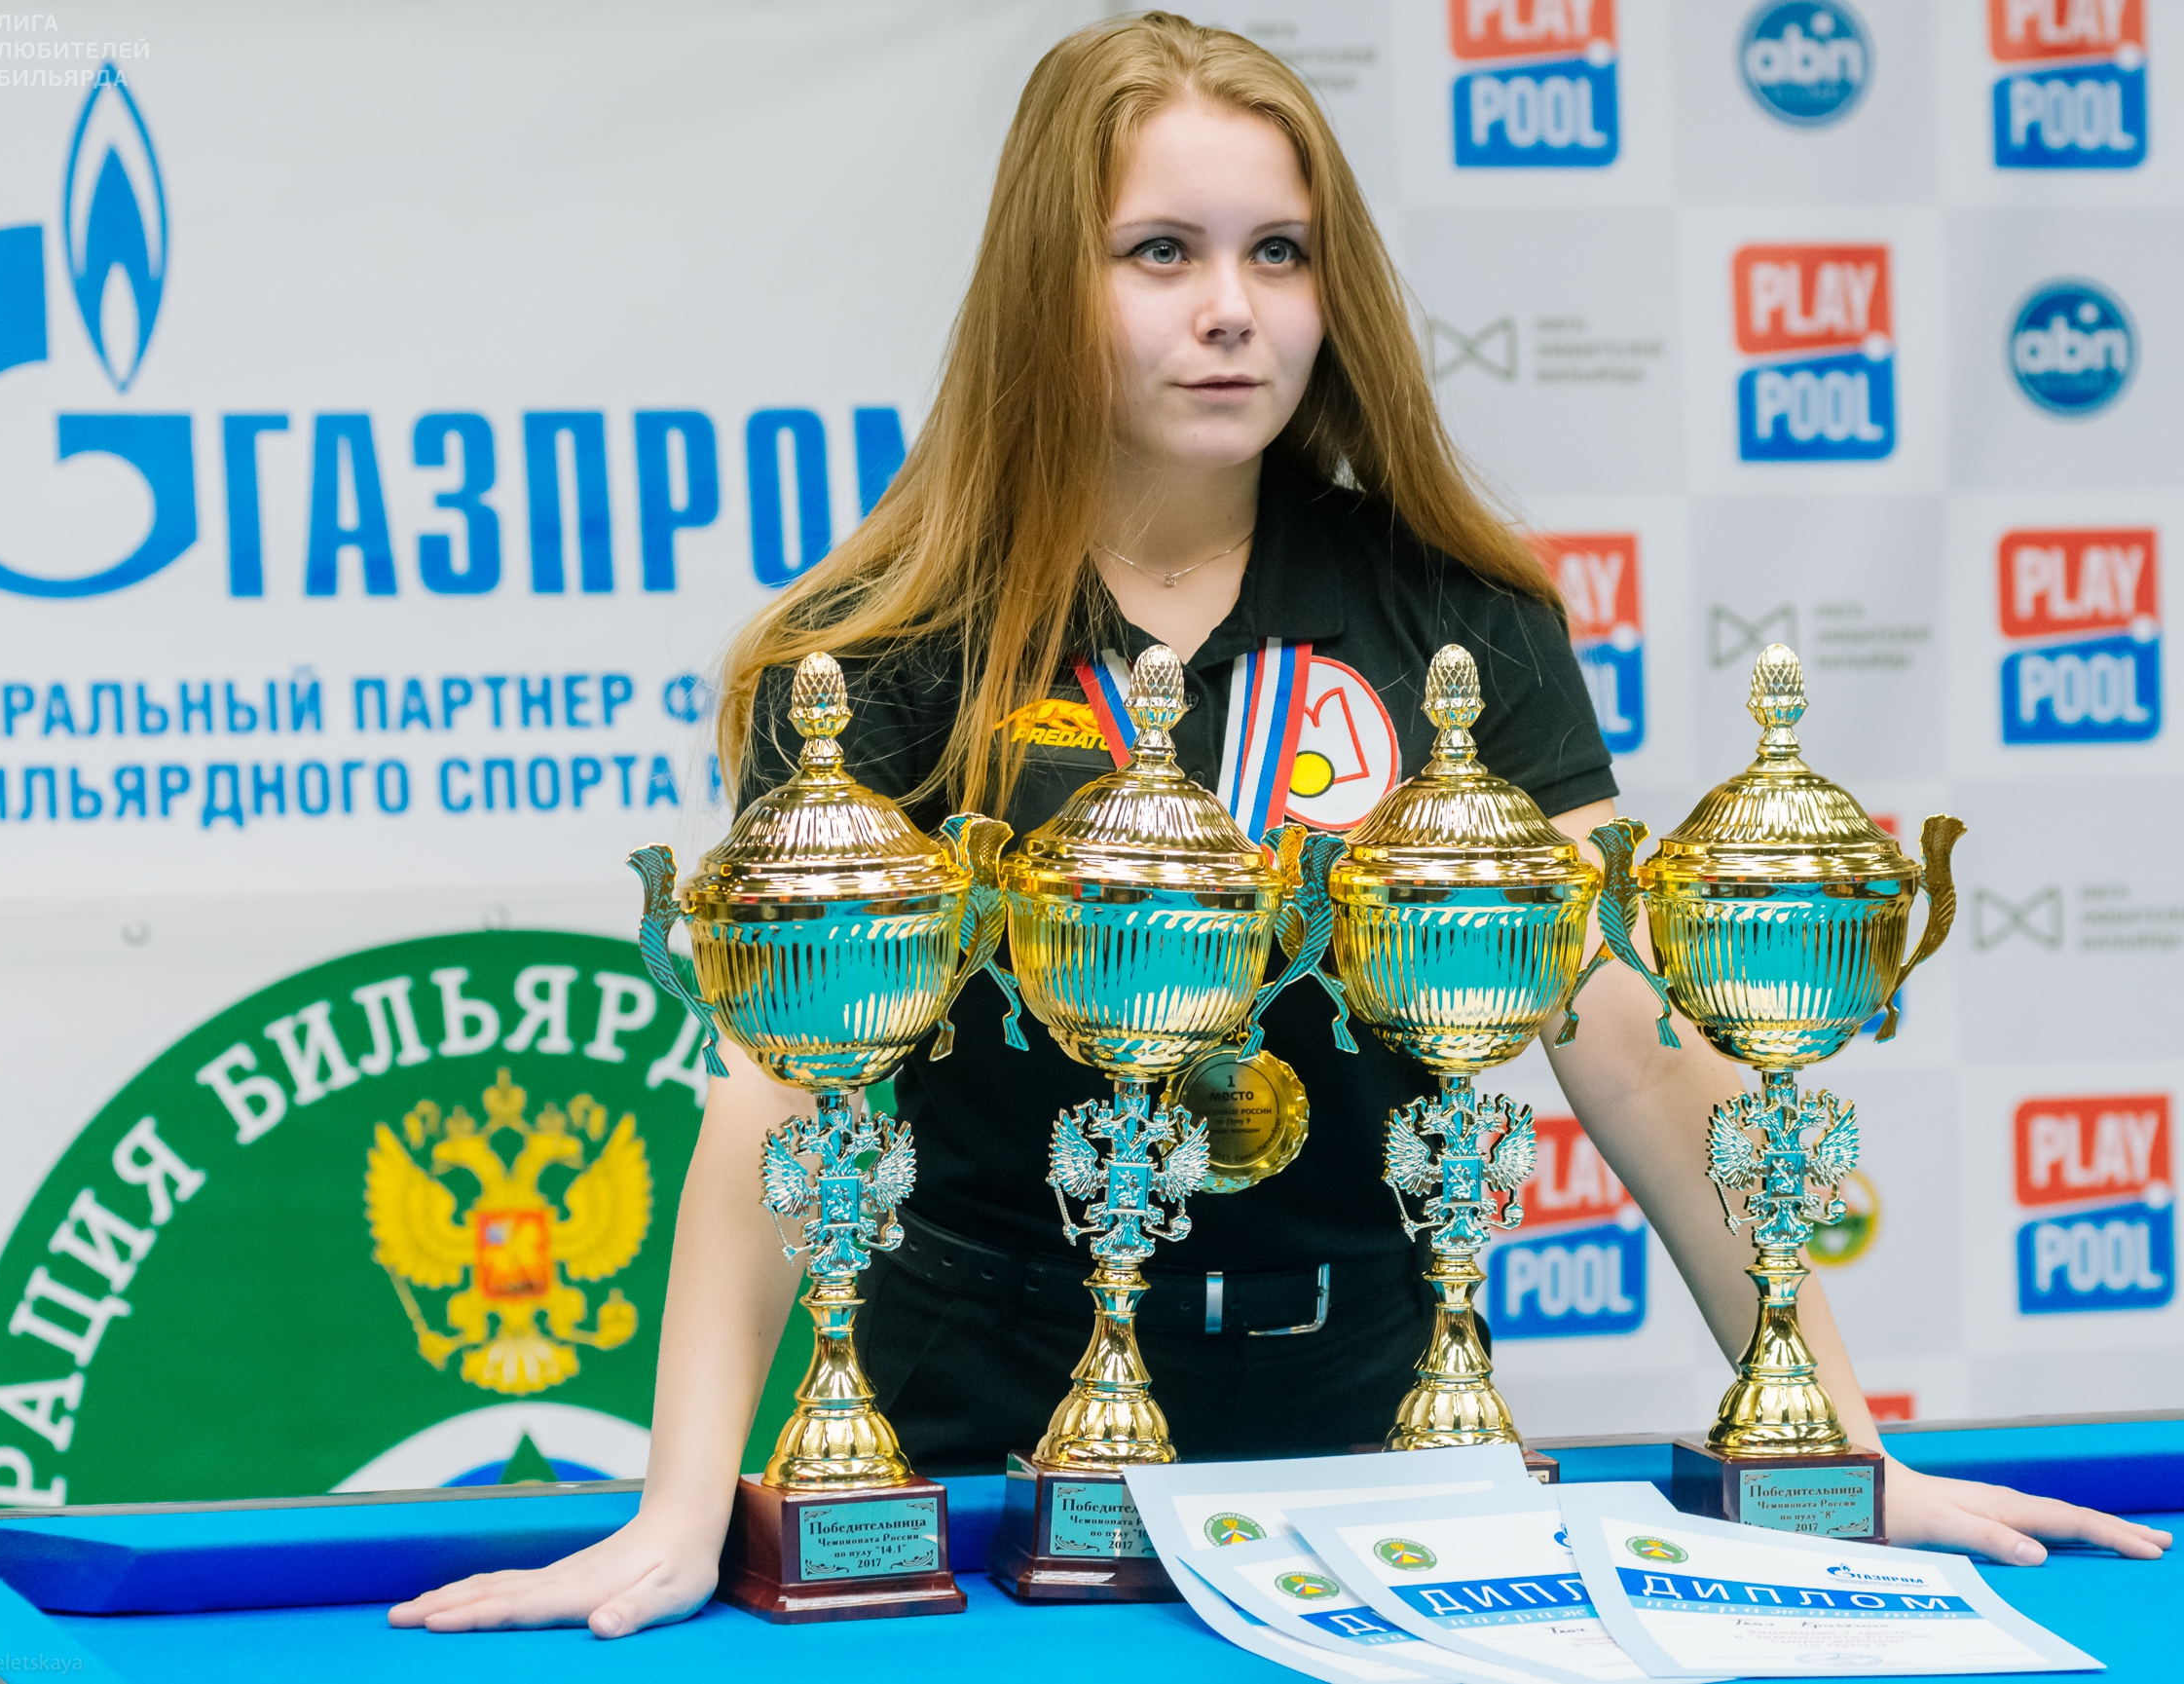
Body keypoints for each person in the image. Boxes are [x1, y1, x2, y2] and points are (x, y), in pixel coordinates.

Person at [391, 11, 2168, 1638]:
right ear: (1045, 283)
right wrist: (682, 1506)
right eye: (1160, 252)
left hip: (1378, 1435)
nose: (1230, 307)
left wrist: (1842, 1444)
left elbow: (1628, 1037)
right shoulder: (885, 652)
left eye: (1278, 252)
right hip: (976, 1447)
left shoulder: (1457, 614)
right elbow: (780, 1087)